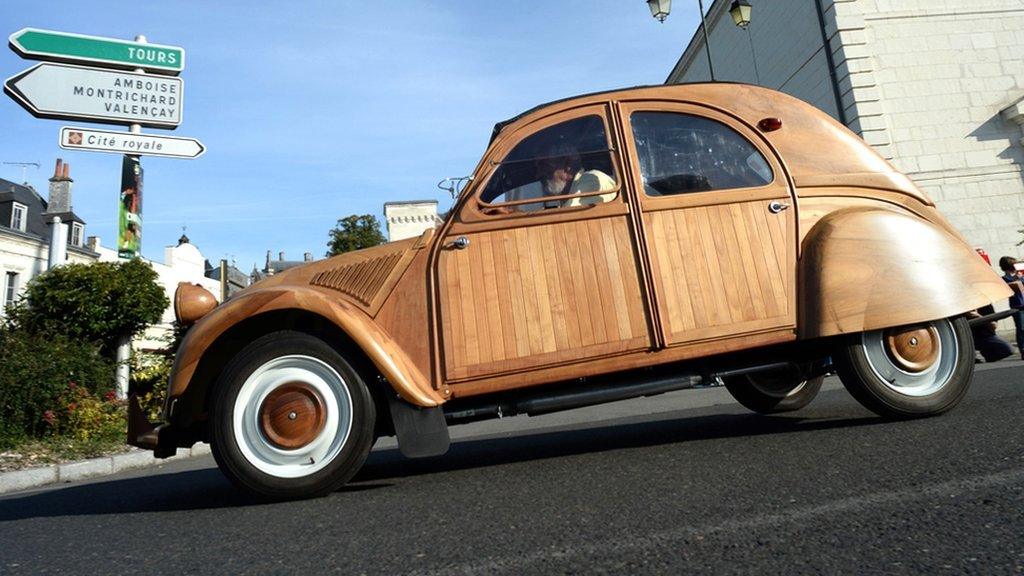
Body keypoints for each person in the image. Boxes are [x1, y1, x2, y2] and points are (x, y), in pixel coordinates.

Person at [502, 143, 616, 212]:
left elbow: (566, 220)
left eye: (544, 166)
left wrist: (515, 215)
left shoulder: (593, 180)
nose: (538, 175)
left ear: (568, 166)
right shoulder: (568, 196)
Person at [998, 256, 1024, 359]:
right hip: (1017, 306)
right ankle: (1022, 349)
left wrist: (1020, 277)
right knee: (1021, 328)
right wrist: (1018, 278)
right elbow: (1010, 287)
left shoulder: (1021, 275)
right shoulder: (1004, 279)